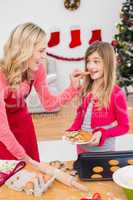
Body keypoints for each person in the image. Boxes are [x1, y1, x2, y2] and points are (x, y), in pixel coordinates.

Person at [0, 22, 81, 166]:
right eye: (41, 51)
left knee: (32, 176)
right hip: (3, 134)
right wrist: (24, 157)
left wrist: (72, 88)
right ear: (25, 50)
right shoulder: (1, 75)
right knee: (9, 176)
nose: (44, 56)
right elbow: (2, 129)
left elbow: (49, 104)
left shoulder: (37, 69)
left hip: (24, 126)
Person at [67, 41, 129, 154]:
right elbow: (80, 115)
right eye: (88, 61)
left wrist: (103, 133)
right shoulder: (84, 89)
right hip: (82, 148)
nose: (90, 66)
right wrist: (72, 131)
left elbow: (124, 127)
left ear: (108, 64)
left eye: (96, 61)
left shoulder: (116, 93)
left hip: (104, 150)